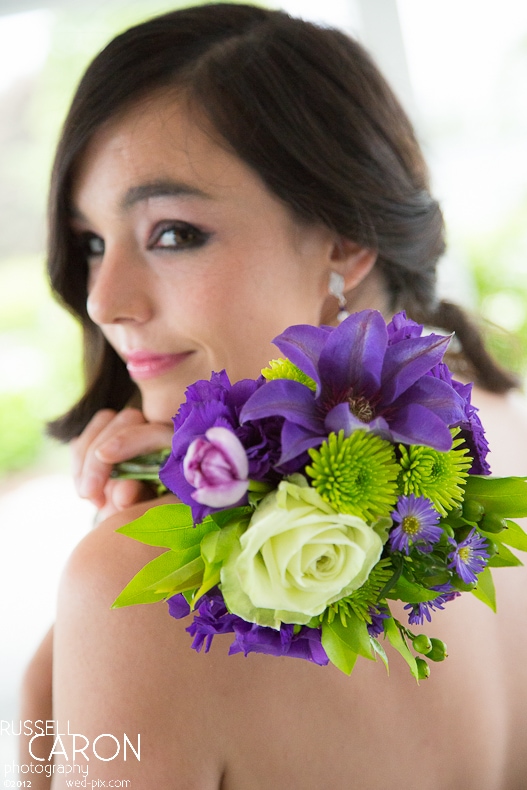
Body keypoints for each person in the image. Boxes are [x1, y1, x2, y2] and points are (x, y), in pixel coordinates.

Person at [20, 4, 527, 788]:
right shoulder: (502, 430)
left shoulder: (137, 583)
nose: (103, 299)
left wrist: (109, 574)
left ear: (343, 240)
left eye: (172, 233)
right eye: (91, 243)